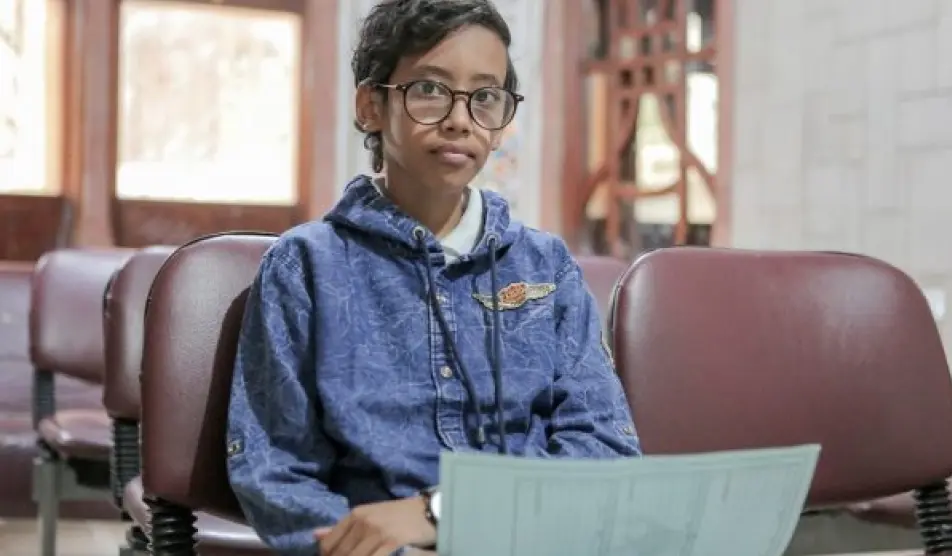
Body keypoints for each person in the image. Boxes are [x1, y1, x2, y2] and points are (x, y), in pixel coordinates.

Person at [225, 1, 642, 554]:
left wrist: (443, 512)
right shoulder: (306, 266)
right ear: (371, 106)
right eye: (429, 89)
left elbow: (606, 451)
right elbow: (274, 473)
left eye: (485, 97)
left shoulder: (545, 267)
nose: (460, 119)